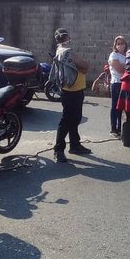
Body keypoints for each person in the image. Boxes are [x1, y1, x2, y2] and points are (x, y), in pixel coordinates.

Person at [52, 28, 91, 163]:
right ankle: (58, 149)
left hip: (74, 89)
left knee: (74, 119)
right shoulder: (68, 52)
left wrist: (81, 66)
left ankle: (75, 145)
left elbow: (82, 66)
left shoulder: (60, 51)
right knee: (67, 120)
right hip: (72, 91)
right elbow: (85, 66)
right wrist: (82, 66)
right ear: (67, 37)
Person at [108, 36, 127, 137]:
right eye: (118, 44)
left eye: (122, 43)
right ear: (115, 45)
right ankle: (113, 129)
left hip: (125, 83)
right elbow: (119, 69)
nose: (120, 46)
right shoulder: (113, 55)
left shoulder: (127, 55)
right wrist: (127, 67)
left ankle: (120, 128)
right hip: (116, 83)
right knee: (115, 106)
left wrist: (125, 67)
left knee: (122, 107)